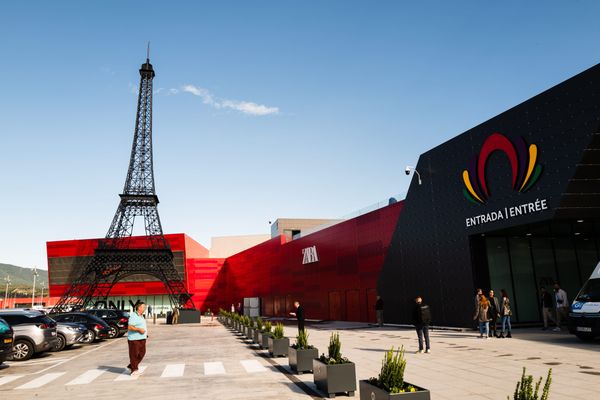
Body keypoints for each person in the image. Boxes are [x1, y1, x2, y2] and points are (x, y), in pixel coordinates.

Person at [127, 302, 148, 376]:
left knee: (142, 353)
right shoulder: (133, 316)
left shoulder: (141, 316)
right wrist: (139, 330)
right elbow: (130, 327)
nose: (144, 308)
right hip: (134, 339)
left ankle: (131, 365)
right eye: (143, 307)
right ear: (139, 308)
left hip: (142, 338)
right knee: (134, 354)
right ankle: (134, 370)